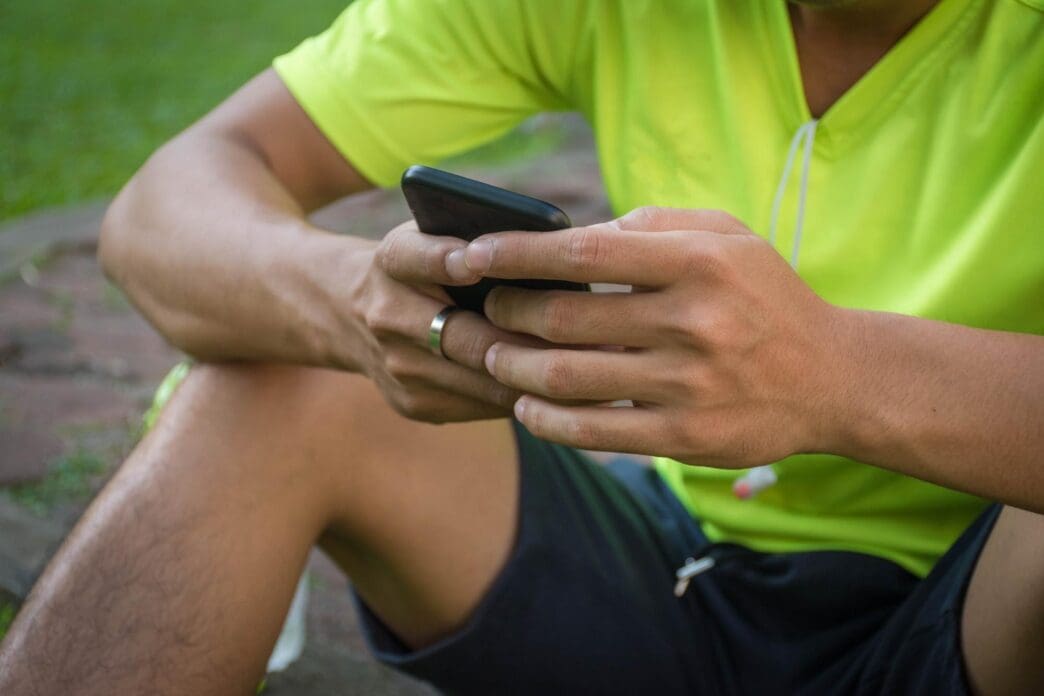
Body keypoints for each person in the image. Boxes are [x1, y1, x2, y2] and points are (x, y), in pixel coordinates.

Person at [1, 0, 1042, 693]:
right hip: (670, 573)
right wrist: (355, 302)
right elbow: (159, 212)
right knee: (277, 379)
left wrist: (838, 375)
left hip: (987, 617)